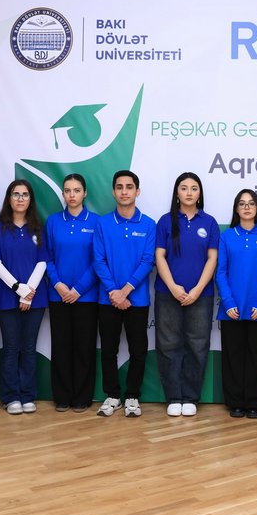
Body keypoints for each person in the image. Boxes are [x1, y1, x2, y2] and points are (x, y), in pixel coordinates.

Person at [154, 172, 219, 417]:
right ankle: (173, 397)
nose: (189, 192)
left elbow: (212, 258)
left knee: (197, 345)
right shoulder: (165, 221)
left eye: (194, 188)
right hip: (167, 292)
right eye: (184, 188)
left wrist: (198, 289)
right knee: (168, 345)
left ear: (199, 193)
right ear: (177, 193)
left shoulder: (209, 222)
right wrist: (172, 286)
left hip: (200, 294)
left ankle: (191, 397)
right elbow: (159, 256)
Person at [92, 170, 156, 418]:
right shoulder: (103, 224)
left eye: (129, 187)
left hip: (136, 300)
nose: (124, 191)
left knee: (138, 351)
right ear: (113, 191)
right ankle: (112, 395)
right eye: (119, 187)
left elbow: (148, 260)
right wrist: (114, 292)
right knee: (109, 350)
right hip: (108, 298)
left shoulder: (148, 224)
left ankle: (132, 396)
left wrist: (125, 291)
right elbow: (99, 261)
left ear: (137, 191)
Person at [0, 179, 48, 416]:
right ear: (9, 199)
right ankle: (11, 396)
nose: (20, 199)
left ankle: (28, 395)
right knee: (11, 348)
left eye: (25, 194)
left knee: (29, 348)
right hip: (6, 297)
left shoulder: (38, 228)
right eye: (15, 194)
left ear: (30, 199)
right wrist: (18, 288)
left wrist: (29, 292)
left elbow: (43, 262)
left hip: (35, 298)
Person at [216, 189, 257, 419]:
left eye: (251, 203)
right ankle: (235, 402)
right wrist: (228, 302)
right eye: (242, 203)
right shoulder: (226, 237)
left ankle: (255, 402)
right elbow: (221, 272)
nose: (246, 207)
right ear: (236, 208)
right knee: (232, 357)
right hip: (231, 308)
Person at [44, 174, 99, 412]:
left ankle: (82, 397)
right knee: (61, 346)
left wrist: (78, 289)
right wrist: (58, 285)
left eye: (77, 190)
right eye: (68, 190)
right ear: (63, 194)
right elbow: (47, 257)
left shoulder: (96, 222)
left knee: (84, 348)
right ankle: (62, 397)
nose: (72, 195)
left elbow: (99, 260)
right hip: (58, 295)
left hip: (86, 296)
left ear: (84, 193)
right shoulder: (53, 221)